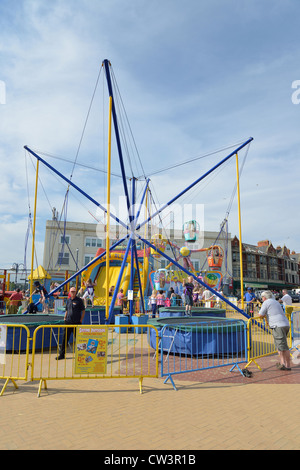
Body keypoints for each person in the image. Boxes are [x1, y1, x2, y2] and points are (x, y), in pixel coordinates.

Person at [258, 290, 291, 371]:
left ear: (264, 297)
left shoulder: (266, 302)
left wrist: (264, 315)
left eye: (262, 297)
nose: (262, 299)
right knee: (280, 346)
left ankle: (287, 365)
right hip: (285, 323)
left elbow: (260, 314)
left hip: (277, 325)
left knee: (283, 346)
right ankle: (282, 363)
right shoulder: (275, 301)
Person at [56, 287, 85, 360]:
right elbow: (67, 310)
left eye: (74, 291)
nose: (73, 293)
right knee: (64, 339)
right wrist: (65, 317)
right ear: (69, 292)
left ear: (76, 292)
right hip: (68, 322)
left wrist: (81, 320)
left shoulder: (79, 301)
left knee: (79, 339)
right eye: (71, 291)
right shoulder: (68, 301)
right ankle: (62, 355)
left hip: (76, 323)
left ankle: (81, 354)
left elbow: (83, 310)